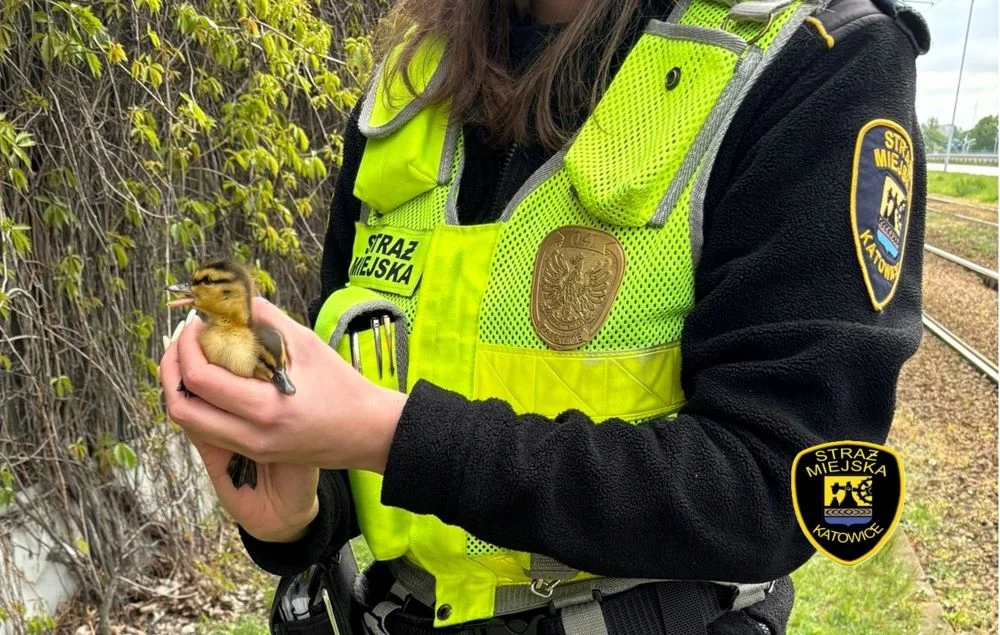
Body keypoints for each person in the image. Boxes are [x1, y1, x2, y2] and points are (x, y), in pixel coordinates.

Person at [159, 0, 930, 632]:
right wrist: (298, 512)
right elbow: (355, 377)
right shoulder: (409, 82)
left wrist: (390, 435)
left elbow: (786, 485)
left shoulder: (814, 58)